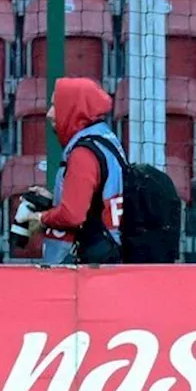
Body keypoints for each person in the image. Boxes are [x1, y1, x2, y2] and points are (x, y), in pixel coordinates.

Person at [26, 78, 127, 265]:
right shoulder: (105, 137)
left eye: (56, 106)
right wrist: (53, 200)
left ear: (74, 108)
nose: (49, 114)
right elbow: (94, 201)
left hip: (89, 264)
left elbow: (73, 215)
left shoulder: (83, 153)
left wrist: (41, 218)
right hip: (110, 249)